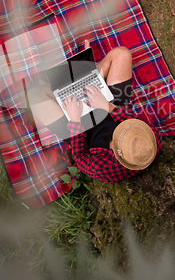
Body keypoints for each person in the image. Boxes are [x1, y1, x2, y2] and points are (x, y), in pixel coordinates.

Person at [27, 41, 163, 183]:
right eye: (128, 130)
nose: (125, 130)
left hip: (82, 132)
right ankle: (86, 75)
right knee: (121, 53)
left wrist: (75, 119)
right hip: (110, 111)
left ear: (117, 154)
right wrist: (106, 105)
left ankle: (72, 83)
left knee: (35, 95)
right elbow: (128, 117)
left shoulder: (101, 169)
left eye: (123, 134)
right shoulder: (151, 142)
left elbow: (79, 156)